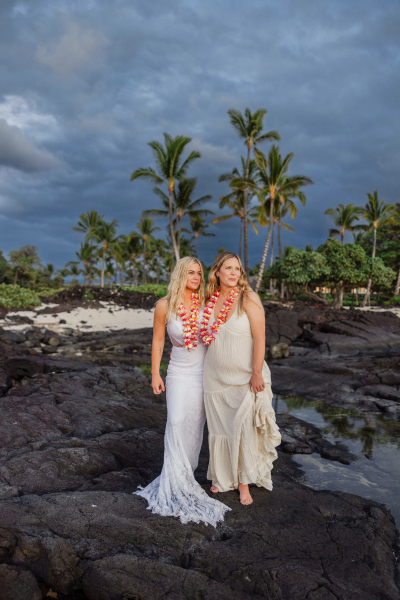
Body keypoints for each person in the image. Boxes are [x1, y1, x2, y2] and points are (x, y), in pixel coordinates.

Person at [134, 256, 230, 526]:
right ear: (180, 274)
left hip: (205, 374)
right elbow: (158, 340)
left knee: (194, 427)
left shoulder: (206, 304)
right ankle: (173, 482)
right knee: (176, 421)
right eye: (191, 273)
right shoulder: (165, 306)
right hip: (178, 373)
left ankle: (186, 478)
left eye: (199, 274)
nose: (196, 278)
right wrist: (155, 373)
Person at [201, 252, 281, 506]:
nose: (234, 273)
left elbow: (260, 338)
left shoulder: (248, 297)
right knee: (220, 429)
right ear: (217, 272)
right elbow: (199, 333)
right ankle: (222, 477)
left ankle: (244, 482)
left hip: (245, 377)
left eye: (238, 268)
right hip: (214, 377)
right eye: (228, 268)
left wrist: (257, 372)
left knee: (244, 430)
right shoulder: (208, 301)